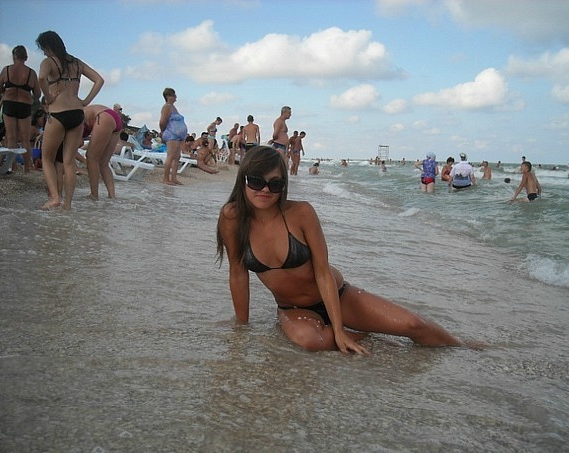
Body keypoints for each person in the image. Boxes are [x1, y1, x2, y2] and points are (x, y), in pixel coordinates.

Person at [216, 146, 464, 354]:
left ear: (284, 185)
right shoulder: (232, 217)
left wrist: (336, 329)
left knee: (414, 325)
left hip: (338, 296)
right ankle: (368, 338)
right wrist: (242, 326)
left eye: (275, 184)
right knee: (310, 341)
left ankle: (464, 348)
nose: (265, 190)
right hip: (294, 309)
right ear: (243, 179)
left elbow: (322, 271)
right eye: (256, 181)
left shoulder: (301, 213)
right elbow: (238, 273)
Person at [36, 31, 104, 210]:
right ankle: (67, 205)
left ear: (47, 46)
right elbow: (99, 80)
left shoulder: (48, 62)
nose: (43, 52)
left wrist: (48, 97)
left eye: (43, 48)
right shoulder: (76, 62)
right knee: (68, 162)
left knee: (47, 159)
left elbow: (41, 77)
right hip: (77, 113)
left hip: (58, 113)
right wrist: (86, 101)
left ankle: (55, 197)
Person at [0, 45, 41, 172]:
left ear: (13, 56)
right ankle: (27, 167)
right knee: (25, 138)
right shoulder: (31, 73)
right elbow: (38, 94)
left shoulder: (6, 70)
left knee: (11, 137)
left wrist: (7, 91)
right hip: (24, 105)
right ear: (26, 58)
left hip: (9, 103)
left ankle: (14, 166)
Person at [82, 104, 123, 200]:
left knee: (91, 158)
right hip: (114, 119)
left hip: (103, 116)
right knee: (103, 163)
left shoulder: (76, 118)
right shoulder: (82, 112)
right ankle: (112, 196)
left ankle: (94, 195)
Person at [159, 87, 187, 185]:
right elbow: (162, 121)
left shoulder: (173, 107)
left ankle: (174, 178)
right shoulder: (167, 107)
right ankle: (166, 178)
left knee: (177, 157)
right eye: (173, 95)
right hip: (171, 134)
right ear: (168, 96)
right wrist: (162, 132)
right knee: (171, 156)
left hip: (178, 136)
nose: (175, 97)